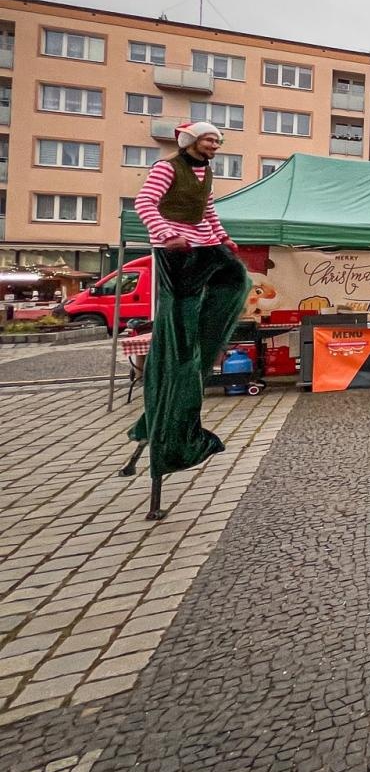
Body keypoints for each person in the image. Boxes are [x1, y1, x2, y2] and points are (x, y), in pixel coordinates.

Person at [129, 121, 251, 520]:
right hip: (175, 249)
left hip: (204, 245)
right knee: (181, 311)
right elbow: (144, 205)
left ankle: (202, 345)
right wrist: (166, 234)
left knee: (238, 277)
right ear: (190, 141)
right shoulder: (167, 168)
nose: (215, 144)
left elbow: (208, 211)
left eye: (218, 140)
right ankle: (186, 354)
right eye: (209, 139)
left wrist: (224, 238)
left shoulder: (206, 172)